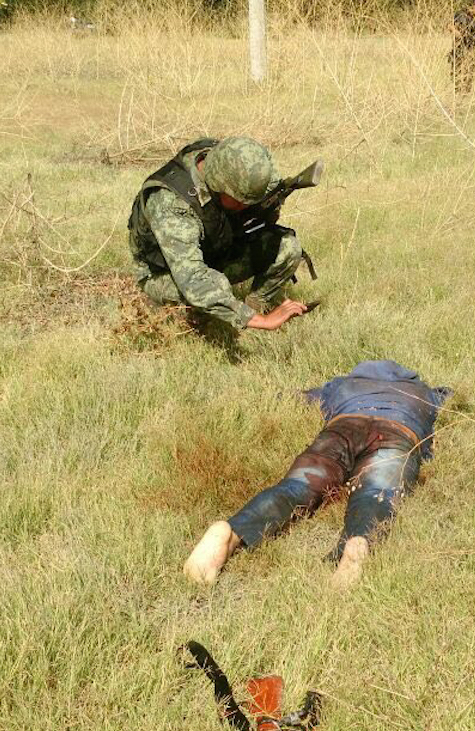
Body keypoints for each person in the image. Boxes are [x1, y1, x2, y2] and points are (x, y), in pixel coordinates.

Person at [184, 360, 451, 590]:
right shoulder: (421, 391)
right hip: (398, 431)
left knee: (295, 487)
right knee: (374, 494)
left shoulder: (341, 385)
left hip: (343, 426)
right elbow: (448, 396)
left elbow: (296, 397)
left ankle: (231, 531)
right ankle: (359, 541)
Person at [128, 136, 309, 333]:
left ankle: (255, 306)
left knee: (287, 248)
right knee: (212, 285)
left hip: (214, 249)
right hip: (164, 274)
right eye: (240, 201)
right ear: (219, 185)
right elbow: (193, 280)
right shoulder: (171, 205)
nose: (245, 206)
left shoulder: (227, 159)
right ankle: (209, 319)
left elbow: (268, 185)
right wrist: (262, 321)